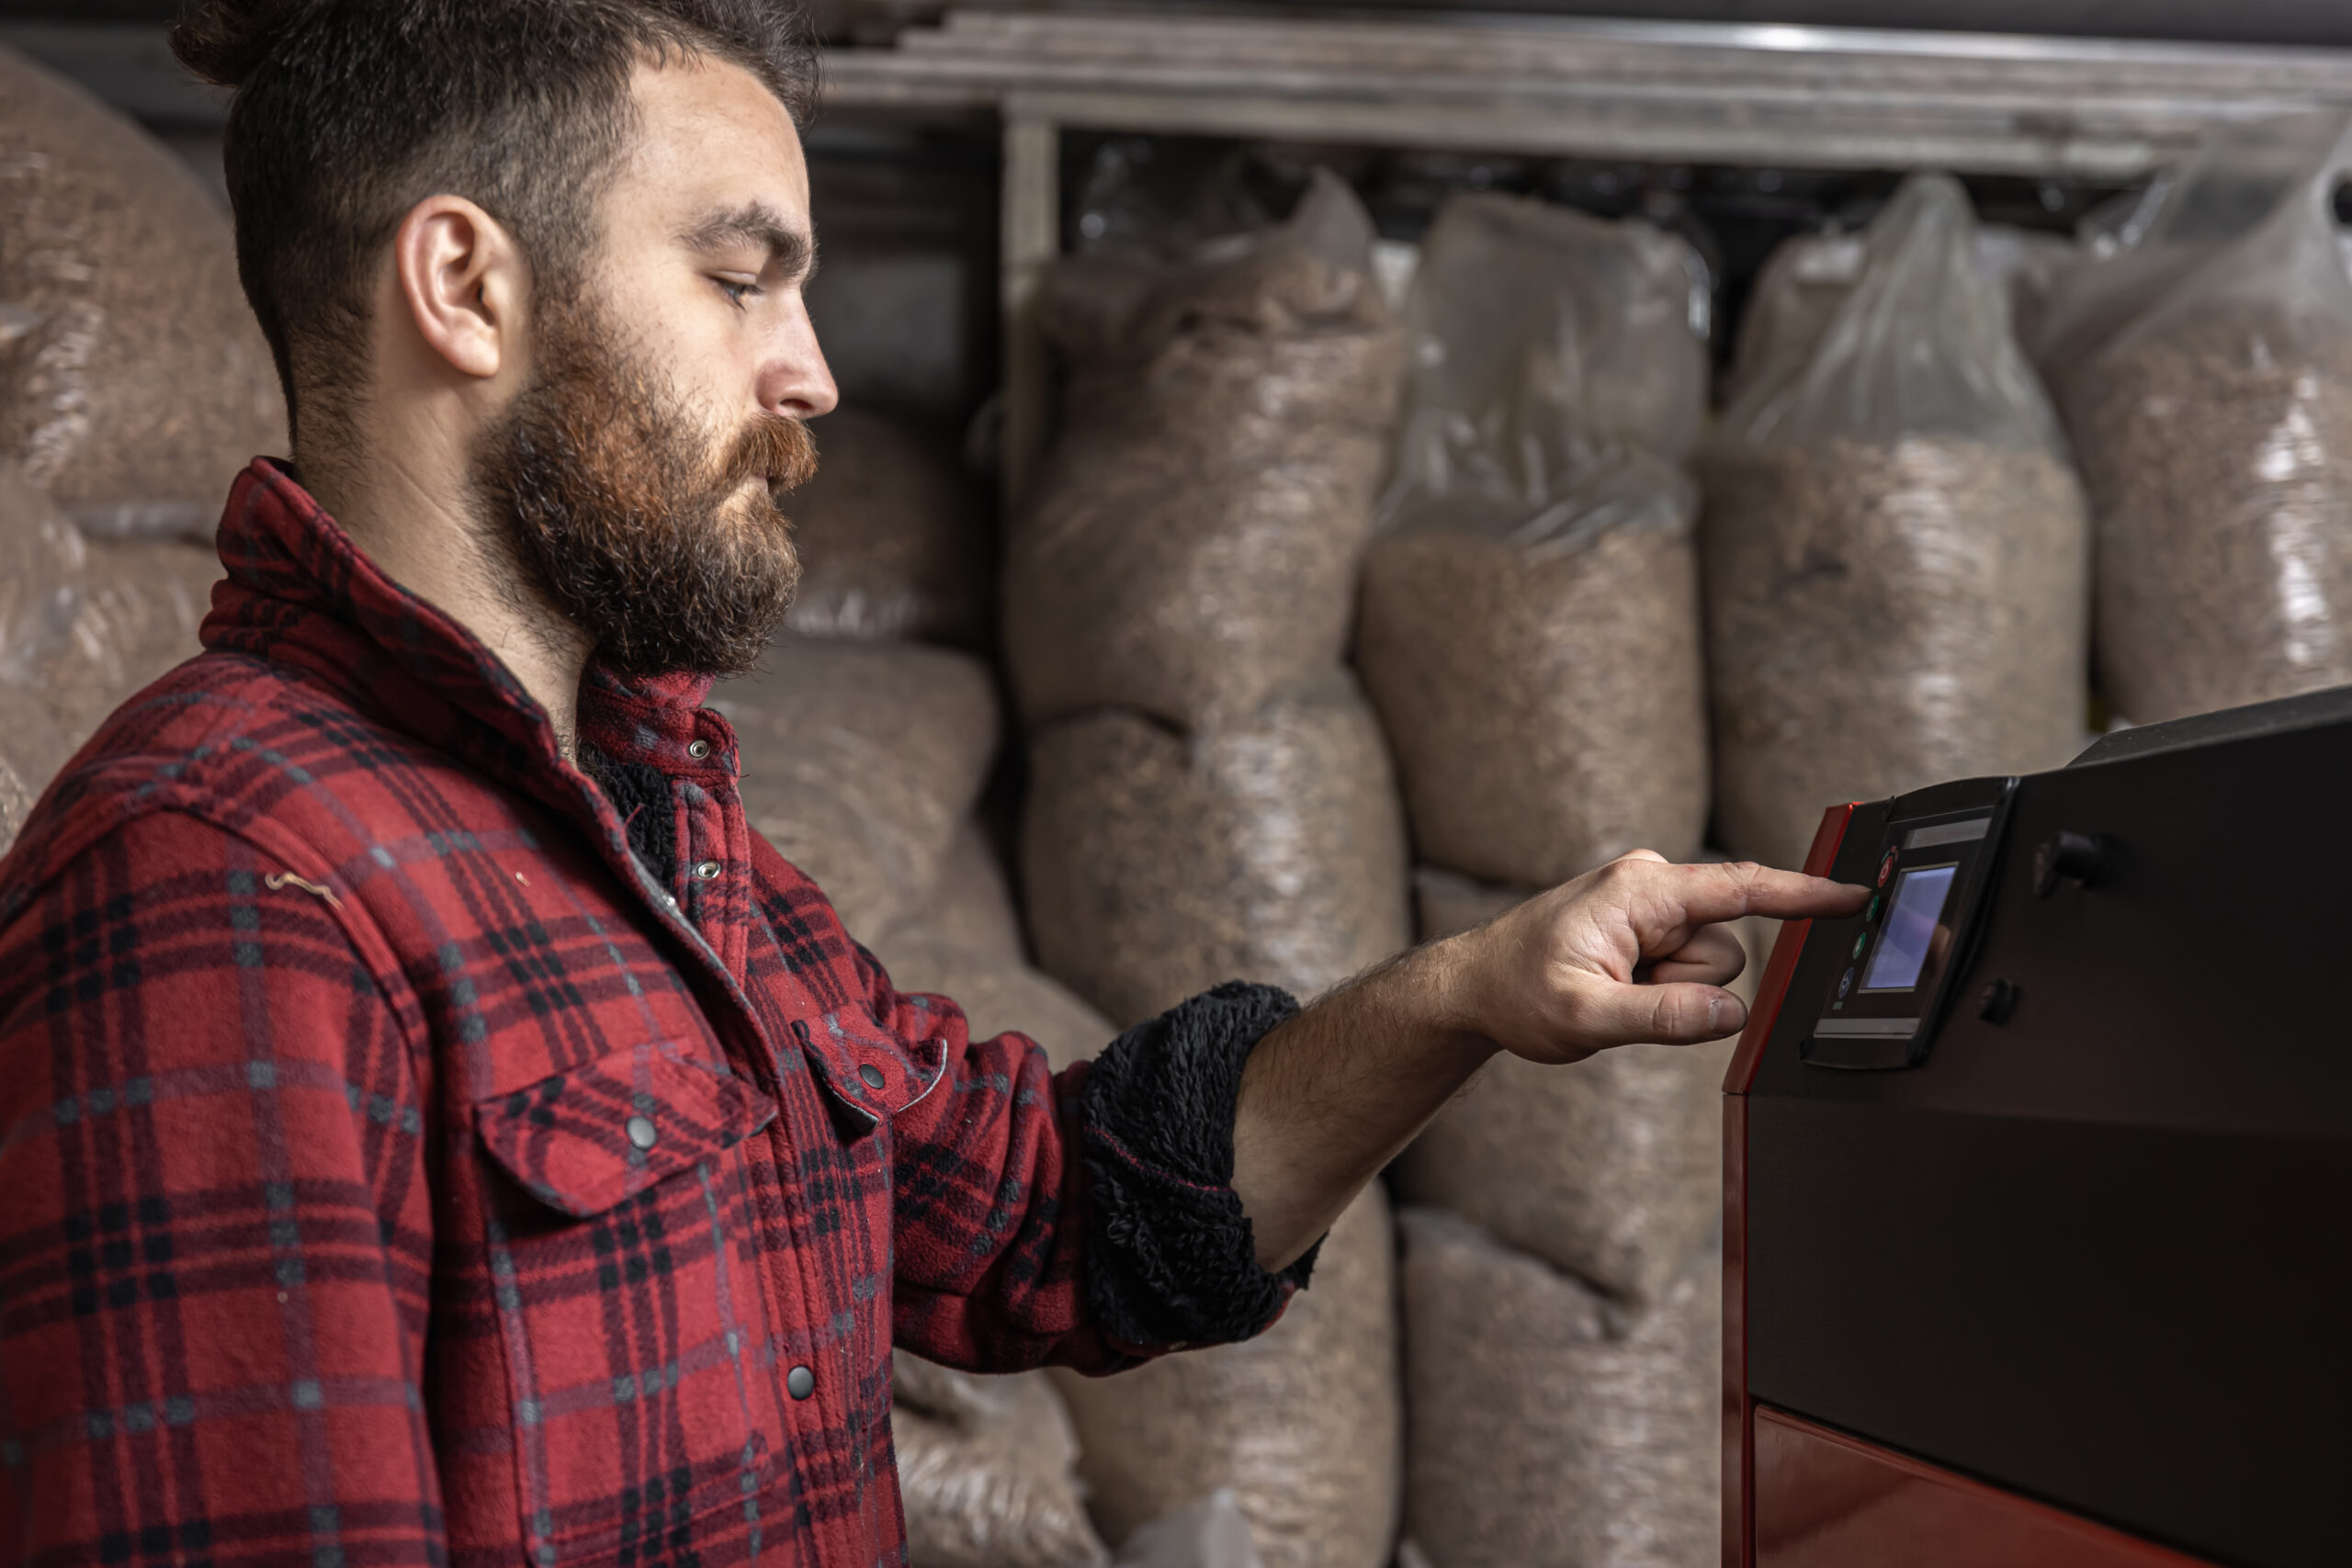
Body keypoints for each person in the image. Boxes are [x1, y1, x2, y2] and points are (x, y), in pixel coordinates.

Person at [0, 2, 1864, 1562]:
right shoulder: (223, 882)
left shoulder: (658, 825)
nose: (807, 369)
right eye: (738, 276)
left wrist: (1467, 992)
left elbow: (1046, 1214)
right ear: (467, 286)